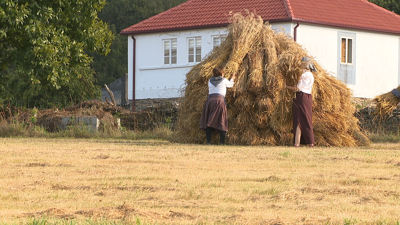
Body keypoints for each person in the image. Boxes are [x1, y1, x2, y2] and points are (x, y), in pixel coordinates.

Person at [200, 67, 235, 145]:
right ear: (222, 74)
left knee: (209, 120)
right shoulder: (224, 80)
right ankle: (222, 142)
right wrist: (232, 78)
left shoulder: (210, 81)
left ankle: (208, 142)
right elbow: (230, 85)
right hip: (219, 101)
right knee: (222, 120)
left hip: (210, 101)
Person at [285, 57, 316, 147]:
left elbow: (297, 88)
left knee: (299, 119)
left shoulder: (304, 75)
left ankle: (302, 143)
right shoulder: (311, 75)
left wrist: (286, 86)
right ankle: (303, 143)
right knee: (304, 119)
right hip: (308, 97)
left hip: (301, 97)